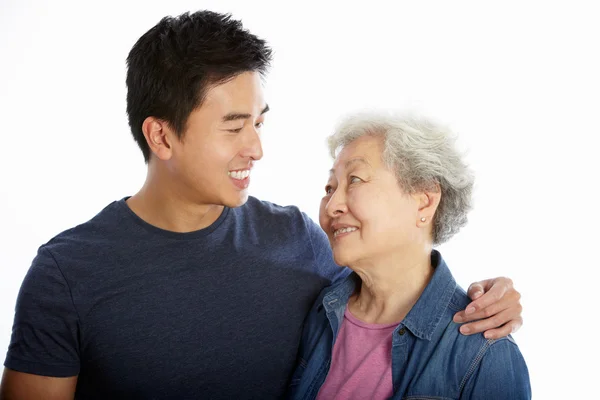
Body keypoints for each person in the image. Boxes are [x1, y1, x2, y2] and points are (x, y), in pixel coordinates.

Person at [1, 11, 523, 400]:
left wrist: (489, 299)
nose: (256, 148)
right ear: (161, 136)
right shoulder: (66, 273)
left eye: (259, 123)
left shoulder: (297, 240)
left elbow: (392, 287)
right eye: (233, 127)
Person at [286, 112, 531, 399]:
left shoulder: (484, 352)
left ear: (424, 202)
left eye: (355, 179)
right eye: (330, 188)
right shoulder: (319, 312)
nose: (331, 206)